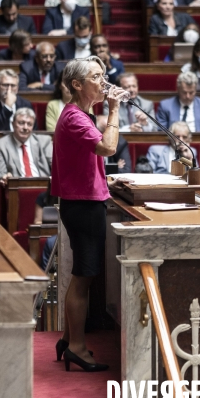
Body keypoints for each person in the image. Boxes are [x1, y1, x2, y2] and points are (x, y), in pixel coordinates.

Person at [51, 56, 127, 371]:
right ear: (77, 84)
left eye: (103, 75)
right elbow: (109, 148)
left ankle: (70, 339)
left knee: (85, 274)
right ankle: (77, 347)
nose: (103, 81)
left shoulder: (83, 112)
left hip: (86, 199)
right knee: (83, 276)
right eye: (96, 77)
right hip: (82, 204)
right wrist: (113, 109)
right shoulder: (74, 117)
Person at [0, 107, 52, 186]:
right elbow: (1, 174)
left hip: (43, 187)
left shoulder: (44, 141)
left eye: (29, 124)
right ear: (13, 124)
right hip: (17, 189)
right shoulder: (0, 145)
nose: (25, 128)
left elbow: (56, 167)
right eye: (21, 123)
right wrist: (5, 177)